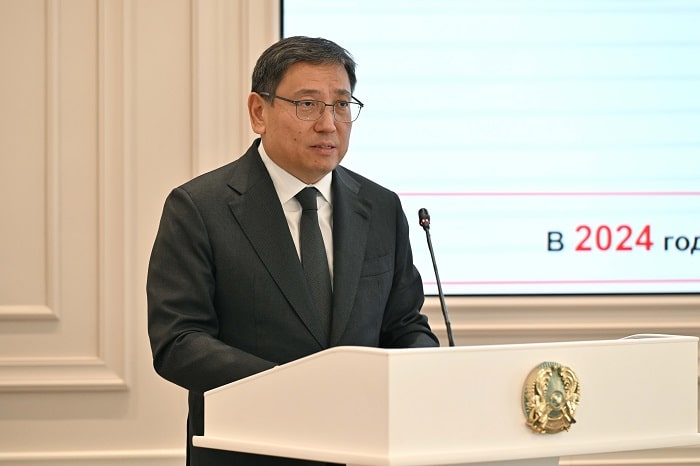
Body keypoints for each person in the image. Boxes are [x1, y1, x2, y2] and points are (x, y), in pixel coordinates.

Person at [147, 36, 439, 466]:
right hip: (250, 449)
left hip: (364, 447)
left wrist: (425, 370)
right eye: (308, 105)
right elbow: (179, 342)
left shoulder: (381, 208)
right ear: (258, 112)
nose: (328, 124)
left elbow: (404, 324)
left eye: (342, 105)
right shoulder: (199, 208)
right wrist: (293, 389)